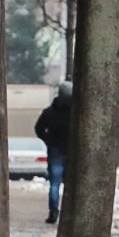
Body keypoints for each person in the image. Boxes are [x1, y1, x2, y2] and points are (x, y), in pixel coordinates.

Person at [33, 84, 72, 225]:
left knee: (54, 184)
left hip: (55, 150)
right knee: (71, 183)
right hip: (72, 151)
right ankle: (69, 212)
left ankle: (54, 211)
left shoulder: (50, 112)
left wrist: (48, 140)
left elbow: (38, 128)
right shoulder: (77, 112)